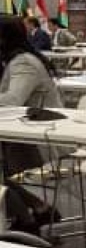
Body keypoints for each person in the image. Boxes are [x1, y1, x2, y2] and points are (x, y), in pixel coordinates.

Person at [0, 16, 64, 235]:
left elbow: (12, 100)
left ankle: (28, 219)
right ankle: (37, 210)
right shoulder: (15, 61)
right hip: (24, 138)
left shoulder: (23, 62)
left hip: (43, 141)